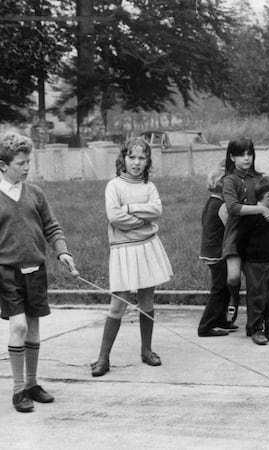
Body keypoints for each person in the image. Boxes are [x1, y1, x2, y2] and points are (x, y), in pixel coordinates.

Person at [0, 131, 78, 413]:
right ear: (3, 165)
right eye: (21, 162)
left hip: (36, 271)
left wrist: (63, 252)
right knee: (18, 325)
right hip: (7, 272)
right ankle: (18, 389)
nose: (26, 167)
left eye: (28, 161)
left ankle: (32, 384)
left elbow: (51, 227)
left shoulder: (35, 193)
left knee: (33, 327)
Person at [91, 138, 174, 377]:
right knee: (118, 305)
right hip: (123, 250)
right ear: (123, 159)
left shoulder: (150, 187)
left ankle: (146, 350)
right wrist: (141, 217)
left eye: (141, 158)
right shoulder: (114, 186)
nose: (136, 163)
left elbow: (157, 211)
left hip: (147, 247)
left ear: (148, 161)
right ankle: (103, 358)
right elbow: (114, 217)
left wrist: (128, 208)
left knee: (147, 302)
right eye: (132, 157)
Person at [221, 138, 269, 325]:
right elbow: (233, 208)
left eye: (250, 154)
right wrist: (260, 209)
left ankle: (258, 314)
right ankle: (233, 298)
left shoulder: (259, 179)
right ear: (232, 157)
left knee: (256, 279)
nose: (246, 158)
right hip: (235, 234)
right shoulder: (229, 181)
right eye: (241, 154)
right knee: (233, 276)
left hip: (256, 235)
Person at [237, 176, 269, 345]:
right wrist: (245, 259)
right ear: (268, 196)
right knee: (256, 295)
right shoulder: (252, 216)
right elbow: (240, 239)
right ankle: (255, 328)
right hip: (254, 262)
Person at [197, 163, 237, 337]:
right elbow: (231, 226)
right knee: (219, 288)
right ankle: (206, 325)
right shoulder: (221, 205)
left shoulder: (211, 203)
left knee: (224, 287)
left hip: (210, 251)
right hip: (218, 253)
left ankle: (220, 319)